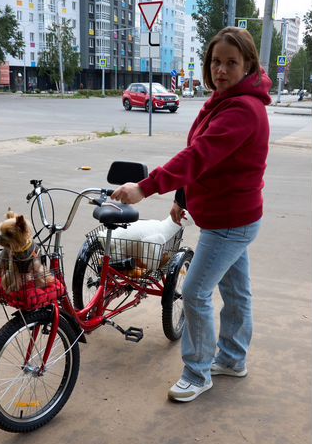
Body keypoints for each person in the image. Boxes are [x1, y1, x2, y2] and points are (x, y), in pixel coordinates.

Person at [111, 27, 272, 402]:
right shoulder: (224, 100)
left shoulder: (242, 110)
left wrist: (145, 187)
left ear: (248, 65)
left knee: (196, 293)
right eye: (216, 61)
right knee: (236, 293)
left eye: (231, 62)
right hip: (229, 217)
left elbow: (198, 157)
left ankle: (198, 372)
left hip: (231, 222)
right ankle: (232, 359)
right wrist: (183, 198)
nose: (221, 69)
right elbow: (205, 160)